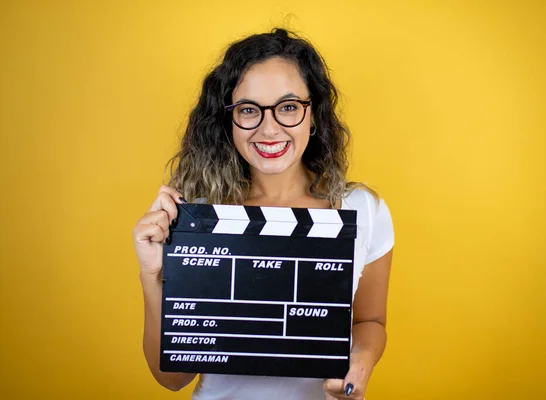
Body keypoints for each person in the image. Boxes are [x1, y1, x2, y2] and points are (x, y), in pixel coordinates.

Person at [132, 28, 394, 400]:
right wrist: (152, 275)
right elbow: (173, 378)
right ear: (228, 120)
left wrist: (360, 363)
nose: (269, 129)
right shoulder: (197, 216)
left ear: (313, 112)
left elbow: (370, 321)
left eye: (288, 107)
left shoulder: (361, 209)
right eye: (249, 110)